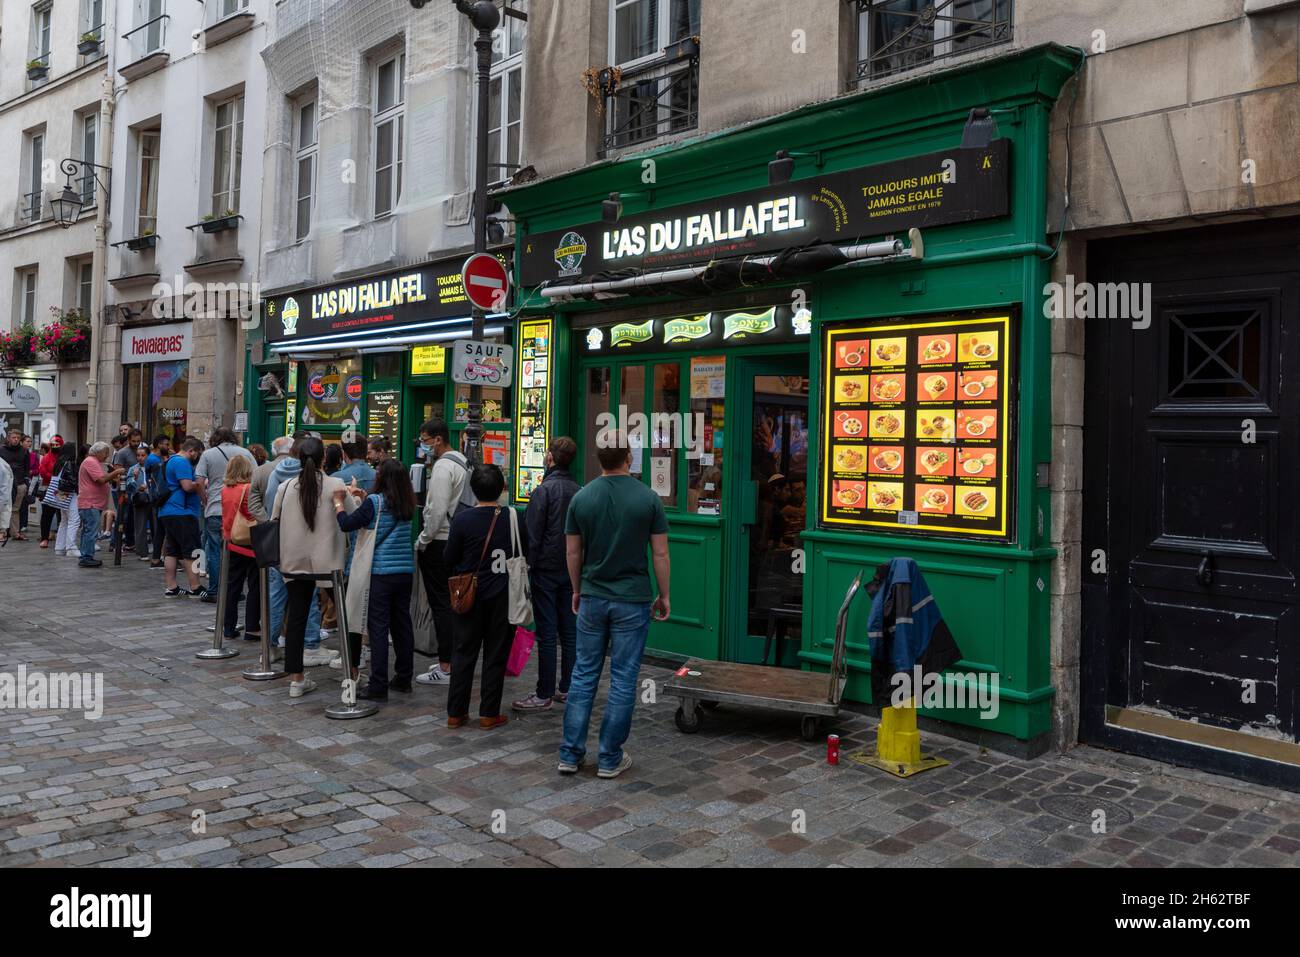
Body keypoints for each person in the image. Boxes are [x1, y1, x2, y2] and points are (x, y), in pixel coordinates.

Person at [559, 431, 671, 779]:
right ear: (629, 457)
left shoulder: (582, 498)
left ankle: (570, 752)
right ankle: (609, 757)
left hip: (593, 595)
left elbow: (573, 551)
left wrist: (577, 589)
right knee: (623, 678)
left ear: (598, 458)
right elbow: (660, 552)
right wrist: (664, 594)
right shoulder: (648, 498)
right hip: (632, 597)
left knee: (584, 674)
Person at [443, 464, 527, 728]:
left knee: (463, 652)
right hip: (503, 595)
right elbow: (525, 551)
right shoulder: (513, 517)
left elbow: (448, 559)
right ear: (502, 487)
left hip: (469, 596)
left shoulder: (463, 520)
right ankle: (489, 713)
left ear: (473, 489)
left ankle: (456, 713)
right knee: (496, 654)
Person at [272, 437, 355, 698]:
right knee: (345, 617)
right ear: (323, 459)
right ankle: (351, 675)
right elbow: (352, 518)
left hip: (293, 561)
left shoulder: (286, 487)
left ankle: (296, 678)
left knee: (295, 618)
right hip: (328, 562)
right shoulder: (336, 485)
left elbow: (275, 519)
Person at [334, 458, 416, 700]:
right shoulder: (408, 502)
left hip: (380, 574)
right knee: (402, 625)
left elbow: (347, 524)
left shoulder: (375, 502)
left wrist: (339, 504)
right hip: (404, 572)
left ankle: (378, 683)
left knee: (378, 627)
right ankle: (403, 677)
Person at [513, 436, 581, 713]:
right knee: (569, 630)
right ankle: (568, 686)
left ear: (551, 458)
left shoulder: (544, 491)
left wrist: (530, 563)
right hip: (570, 568)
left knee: (548, 632)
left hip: (546, 569)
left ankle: (544, 692)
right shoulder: (579, 490)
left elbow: (533, 532)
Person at [264, 434, 329, 664]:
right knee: (307, 600)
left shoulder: (278, 478)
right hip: (310, 551)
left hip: (283, 548)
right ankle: (310, 645)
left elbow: (272, 511)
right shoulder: (329, 483)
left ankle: (271, 647)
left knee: (276, 597)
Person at [414, 420, 470, 686]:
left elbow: (436, 511)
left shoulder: (442, 467)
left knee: (441, 605)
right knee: (457, 602)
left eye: (425, 440)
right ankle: (454, 659)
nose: (423, 445)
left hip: (441, 541)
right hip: (460, 538)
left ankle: (446, 665)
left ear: (437, 439)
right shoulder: (462, 461)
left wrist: (423, 539)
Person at [196, 428, 256, 604]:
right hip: (238, 508)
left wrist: (205, 500)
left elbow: (199, 482)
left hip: (215, 507)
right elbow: (257, 476)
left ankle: (215, 590)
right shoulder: (245, 452)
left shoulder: (208, 454)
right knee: (237, 552)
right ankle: (235, 590)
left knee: (215, 551)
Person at [220, 455, 261, 642]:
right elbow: (251, 512)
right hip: (249, 540)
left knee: (232, 585)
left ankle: (228, 626)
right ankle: (252, 627)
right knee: (255, 585)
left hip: (231, 539)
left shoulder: (225, 490)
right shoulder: (248, 488)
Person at [159, 437, 205, 597]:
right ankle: (196, 587)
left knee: (171, 550)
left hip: (169, 511)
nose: (197, 457)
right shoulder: (182, 462)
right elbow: (187, 486)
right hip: (183, 512)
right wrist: (200, 483)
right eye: (197, 454)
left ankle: (171, 587)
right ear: (191, 451)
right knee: (193, 550)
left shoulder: (170, 460)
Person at [76, 442, 123, 569]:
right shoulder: (91, 461)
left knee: (89, 530)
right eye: (105, 452)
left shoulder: (93, 462)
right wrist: (116, 472)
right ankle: (86, 557)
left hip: (93, 503)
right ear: (98, 452)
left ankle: (86, 556)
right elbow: (101, 479)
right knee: (90, 531)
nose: (107, 455)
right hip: (90, 503)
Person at [48, 443, 81, 557]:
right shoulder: (70, 463)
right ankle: (70, 547)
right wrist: (79, 489)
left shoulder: (58, 462)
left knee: (64, 520)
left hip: (60, 493)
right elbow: (73, 481)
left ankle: (60, 546)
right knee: (74, 519)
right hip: (69, 494)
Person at [123, 444, 154, 561]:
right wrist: (135, 480)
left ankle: (157, 551)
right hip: (139, 499)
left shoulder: (153, 466)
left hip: (152, 498)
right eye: (138, 455)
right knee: (140, 526)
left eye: (143, 455)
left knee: (155, 525)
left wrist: (149, 484)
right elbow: (129, 486)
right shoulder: (133, 469)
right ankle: (142, 552)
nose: (140, 458)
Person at [0, 428, 29, 542]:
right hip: (5, 484)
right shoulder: (2, 450)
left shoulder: (24, 451)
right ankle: (3, 531)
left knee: (15, 509)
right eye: (13, 437)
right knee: (3, 507)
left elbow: (27, 468)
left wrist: (26, 482)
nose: (16, 440)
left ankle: (15, 532)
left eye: (18, 438)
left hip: (20, 483)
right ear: (9, 438)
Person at [38, 438, 61, 547]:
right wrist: (54, 478)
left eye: (58, 444)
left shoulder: (62, 458)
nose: (55, 447)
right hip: (48, 487)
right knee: (47, 514)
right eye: (53, 445)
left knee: (62, 515)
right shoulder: (47, 458)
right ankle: (45, 537)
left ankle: (60, 537)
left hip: (62, 489)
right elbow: (42, 471)